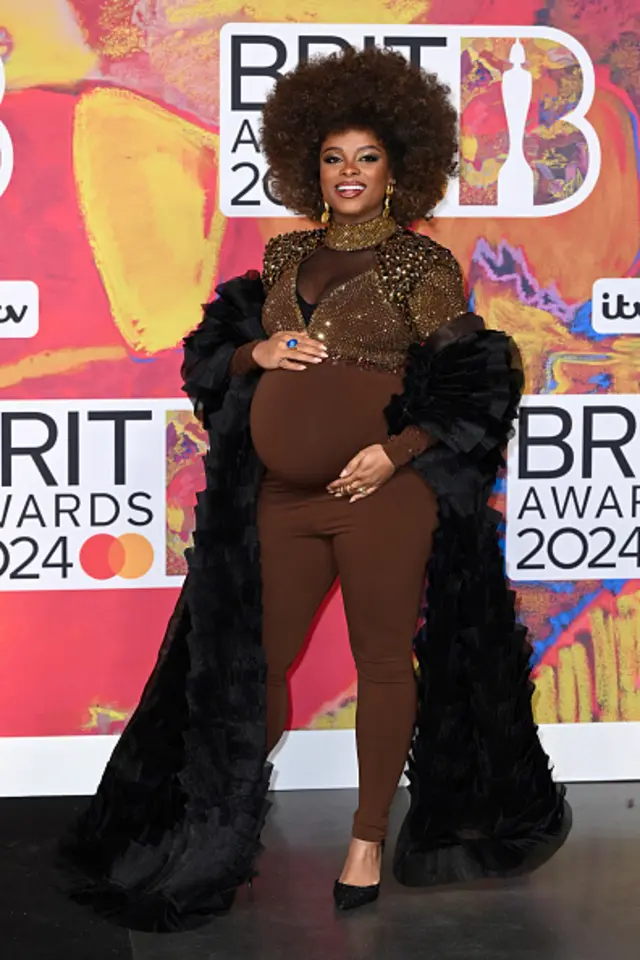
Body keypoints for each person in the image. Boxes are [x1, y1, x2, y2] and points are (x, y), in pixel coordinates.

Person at [57, 47, 571, 932]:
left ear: (398, 168)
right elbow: (210, 360)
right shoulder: (285, 253)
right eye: (333, 158)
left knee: (381, 662)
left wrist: (397, 452)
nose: (348, 174)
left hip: (384, 496)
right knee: (249, 661)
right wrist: (258, 352)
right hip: (282, 500)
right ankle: (221, 823)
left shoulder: (422, 266)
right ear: (308, 163)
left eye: (367, 158)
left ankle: (368, 836)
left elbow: (480, 379)